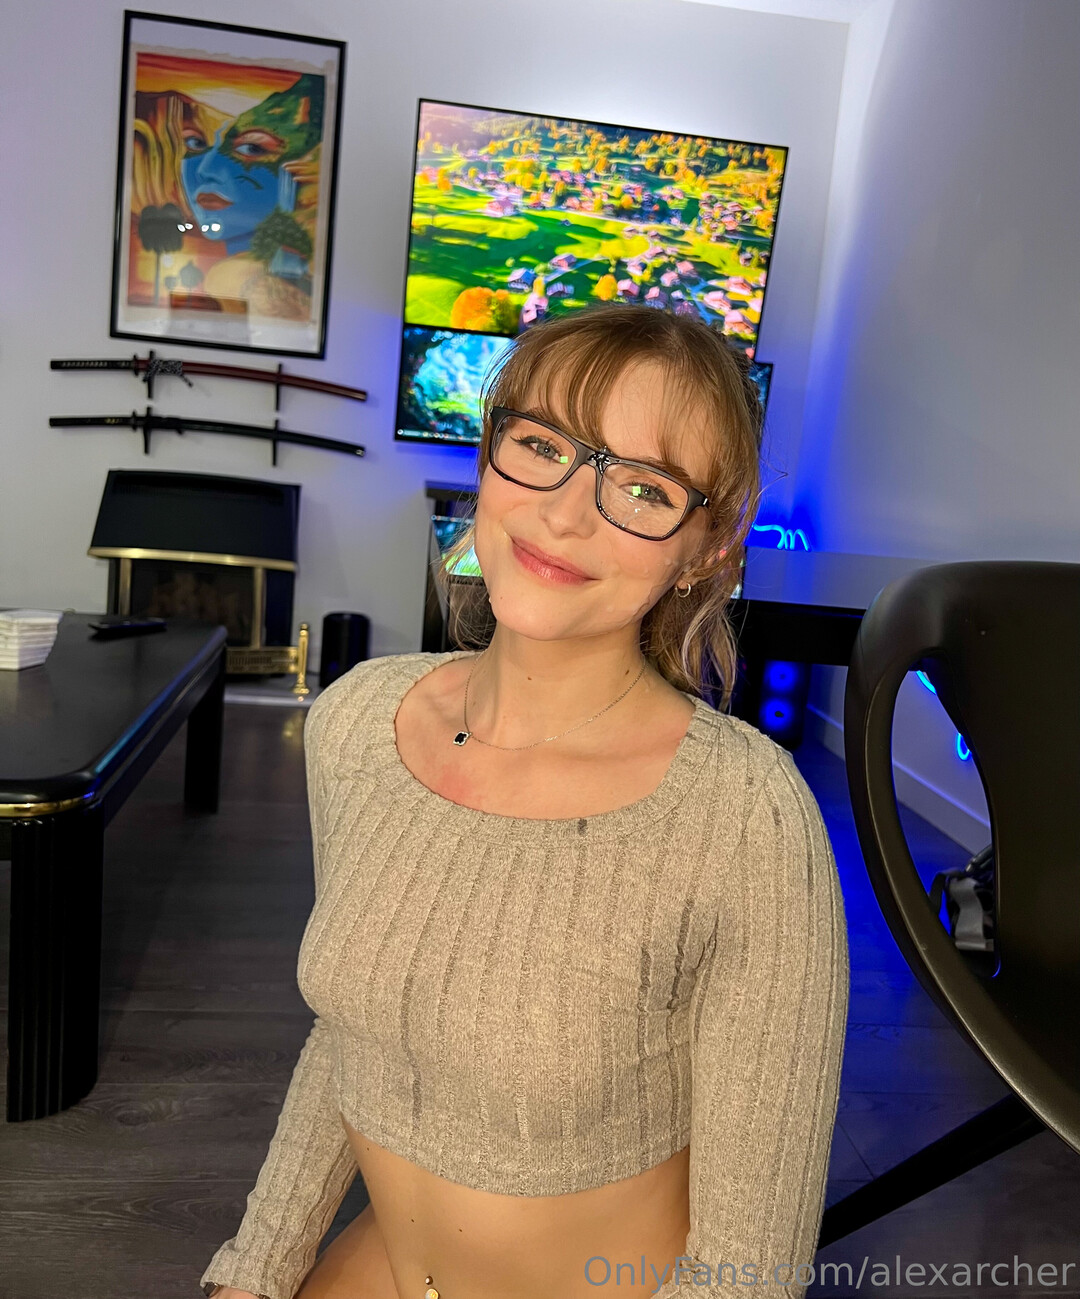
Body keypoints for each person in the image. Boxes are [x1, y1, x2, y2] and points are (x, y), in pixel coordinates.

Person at [200, 301, 849, 1299]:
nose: (566, 513)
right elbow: (353, 1035)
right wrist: (254, 1270)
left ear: (706, 551)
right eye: (541, 444)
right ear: (487, 457)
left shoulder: (744, 818)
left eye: (644, 486)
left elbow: (749, 1269)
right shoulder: (359, 722)